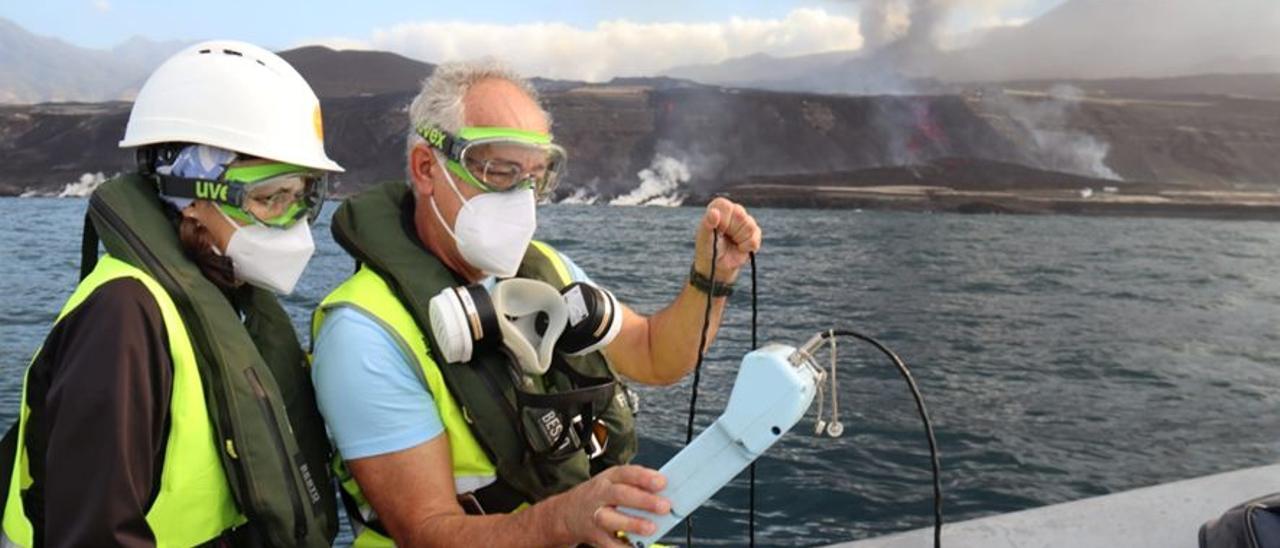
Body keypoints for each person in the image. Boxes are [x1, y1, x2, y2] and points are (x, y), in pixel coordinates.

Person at [311, 59, 763, 547]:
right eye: (500, 170)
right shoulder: (365, 334)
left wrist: (710, 278)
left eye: (535, 177)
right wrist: (560, 521)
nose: (521, 198)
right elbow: (424, 531)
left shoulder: (549, 269)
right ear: (426, 168)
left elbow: (655, 355)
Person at [0, 41, 342, 547]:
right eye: (270, 198)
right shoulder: (124, 319)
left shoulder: (227, 293)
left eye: (302, 199)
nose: (292, 225)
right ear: (190, 195)